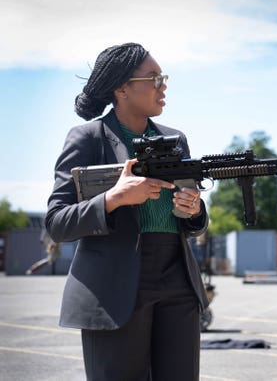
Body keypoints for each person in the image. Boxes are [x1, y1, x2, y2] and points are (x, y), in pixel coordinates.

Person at [45, 43, 210, 380]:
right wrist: (113, 198)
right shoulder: (88, 138)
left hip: (178, 279)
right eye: (154, 78)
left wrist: (193, 209)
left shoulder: (175, 139)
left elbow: (190, 223)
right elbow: (56, 222)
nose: (163, 86)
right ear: (121, 88)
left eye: (163, 78)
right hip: (113, 288)